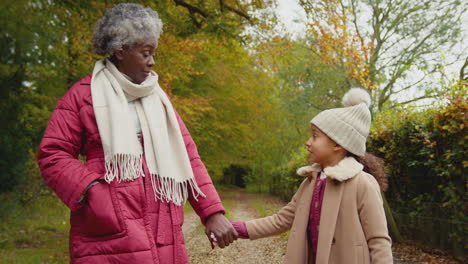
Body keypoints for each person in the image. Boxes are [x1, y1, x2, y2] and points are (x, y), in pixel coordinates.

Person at [37, 3, 237, 263]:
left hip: (164, 233)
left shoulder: (159, 99)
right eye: (145, 53)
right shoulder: (84, 95)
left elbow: (187, 157)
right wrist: (93, 191)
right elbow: (52, 154)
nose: (152, 61)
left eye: (154, 53)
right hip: (108, 233)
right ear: (120, 50)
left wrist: (212, 213)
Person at [231, 88, 393, 264]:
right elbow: (281, 220)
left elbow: (379, 241)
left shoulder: (363, 184)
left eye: (315, 136)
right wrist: (237, 229)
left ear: (338, 144)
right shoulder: (310, 182)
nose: (308, 142)